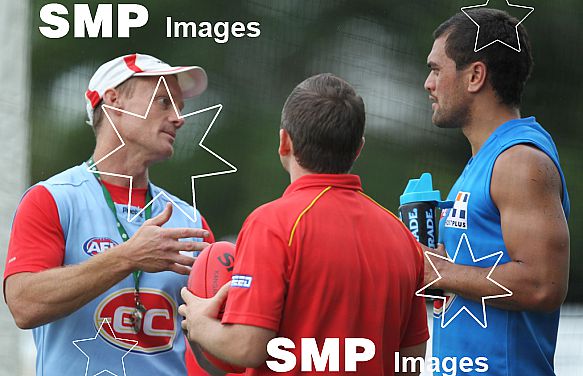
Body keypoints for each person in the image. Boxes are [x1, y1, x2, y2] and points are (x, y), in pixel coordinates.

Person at [179, 73, 429, 375]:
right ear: (358, 148)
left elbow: (247, 346)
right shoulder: (402, 235)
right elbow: (412, 360)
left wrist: (198, 323)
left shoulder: (272, 224)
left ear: (285, 141)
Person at [3, 53, 217, 376]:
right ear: (114, 102)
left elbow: (215, 353)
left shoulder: (191, 222)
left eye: (179, 107)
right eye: (162, 101)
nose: (178, 118)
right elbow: (23, 304)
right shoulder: (52, 199)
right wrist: (128, 257)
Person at [422, 9, 570, 375]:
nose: (428, 83)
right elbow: (468, 269)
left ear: (475, 76)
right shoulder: (485, 159)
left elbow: (541, 285)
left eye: (437, 69)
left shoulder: (520, 161)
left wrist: (438, 272)